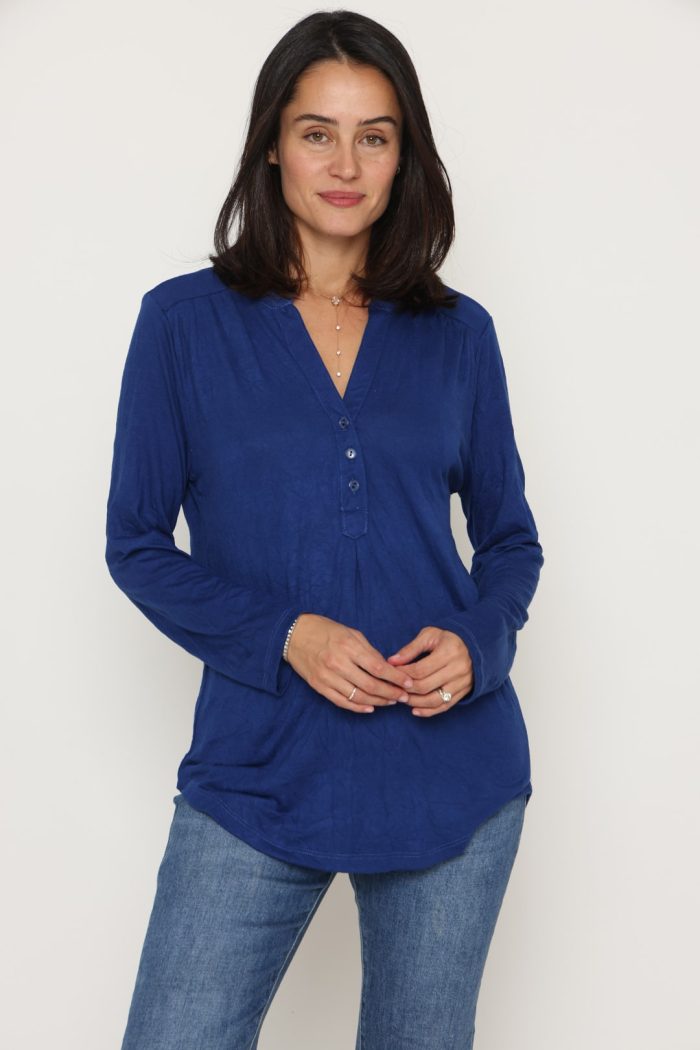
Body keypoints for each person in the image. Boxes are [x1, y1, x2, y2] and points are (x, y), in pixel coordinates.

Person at [105, 9, 544, 1049]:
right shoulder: (182, 324)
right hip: (258, 769)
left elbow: (511, 541)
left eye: (373, 136)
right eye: (317, 133)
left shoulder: (458, 334)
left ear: (403, 155)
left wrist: (478, 643)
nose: (345, 165)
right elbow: (135, 545)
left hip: (449, 773)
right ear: (272, 143)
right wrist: (286, 634)